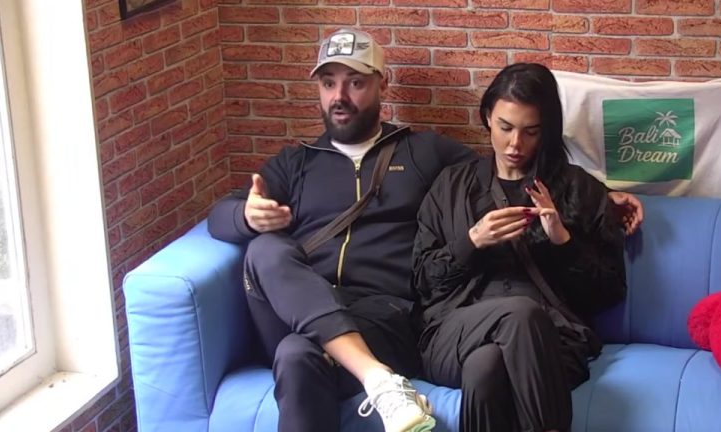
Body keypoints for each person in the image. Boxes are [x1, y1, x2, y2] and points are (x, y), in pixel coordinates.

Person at [208, 29, 642, 432]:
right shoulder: (295, 163)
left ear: (381, 84)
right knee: (264, 250)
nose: (340, 96)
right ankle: (378, 380)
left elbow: (510, 172)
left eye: (355, 82)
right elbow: (218, 216)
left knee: (295, 354)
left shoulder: (422, 154)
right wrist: (247, 217)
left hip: (384, 318)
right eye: (328, 83)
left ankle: (374, 373)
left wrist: (604, 199)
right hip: (302, 311)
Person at [411, 63, 629, 432]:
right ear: (487, 117)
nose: (515, 144)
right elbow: (422, 283)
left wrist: (562, 240)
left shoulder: (577, 189)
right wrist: (471, 242)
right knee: (519, 313)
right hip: (454, 333)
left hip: (553, 342)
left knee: (485, 369)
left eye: (531, 131)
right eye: (505, 127)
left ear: (547, 130)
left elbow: (609, 290)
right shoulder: (451, 187)